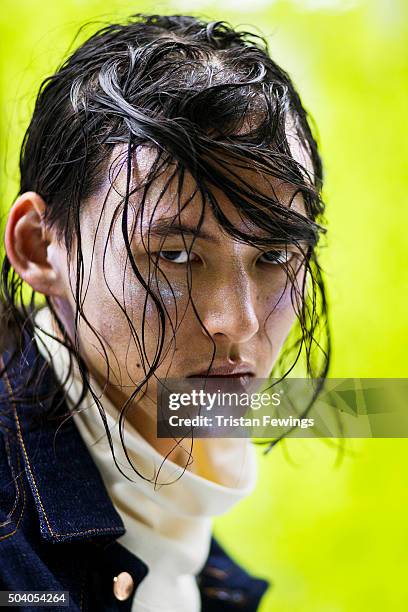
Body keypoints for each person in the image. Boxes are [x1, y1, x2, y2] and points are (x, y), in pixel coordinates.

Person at [0, 13, 330, 612]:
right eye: (175, 255)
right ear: (38, 246)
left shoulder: (191, 546)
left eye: (275, 255)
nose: (240, 321)